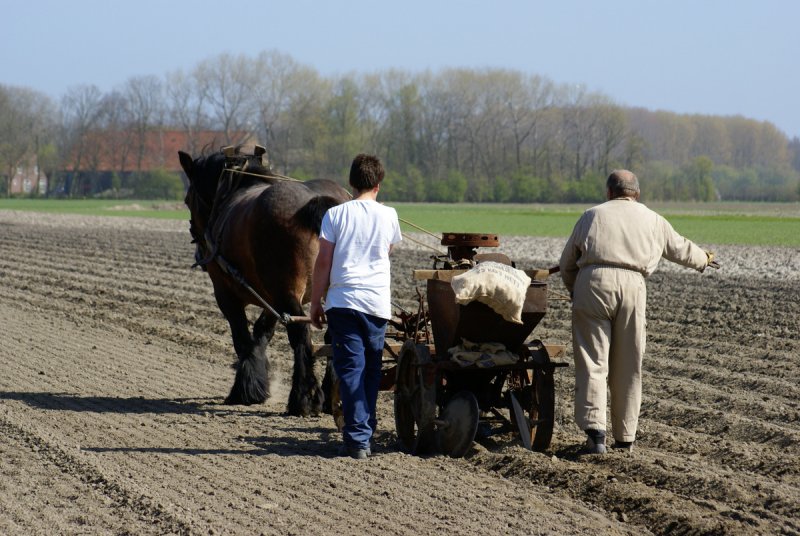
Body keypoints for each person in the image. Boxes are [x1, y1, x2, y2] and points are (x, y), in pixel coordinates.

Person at [559, 169, 718, 455]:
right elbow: (679, 246)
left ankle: (595, 436)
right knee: (628, 365)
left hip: (593, 282)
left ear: (609, 192)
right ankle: (625, 438)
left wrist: (575, 291)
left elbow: (567, 262)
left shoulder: (591, 215)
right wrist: (703, 260)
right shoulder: (653, 219)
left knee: (593, 362)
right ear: (637, 194)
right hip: (634, 286)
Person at [310, 153, 402, 460]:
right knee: (371, 371)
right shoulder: (389, 215)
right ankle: (364, 432)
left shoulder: (334, 215)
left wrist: (315, 302)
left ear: (350, 182)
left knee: (351, 370)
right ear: (378, 184)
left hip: (343, 302)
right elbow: (386, 251)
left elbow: (323, 261)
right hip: (376, 304)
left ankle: (358, 439)